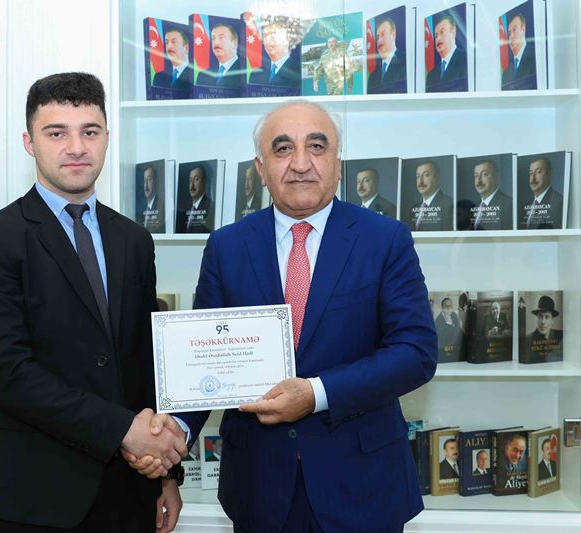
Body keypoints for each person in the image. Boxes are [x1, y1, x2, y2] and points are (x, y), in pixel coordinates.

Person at [129, 101, 437, 532]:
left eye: (316, 146)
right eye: (283, 148)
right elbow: (205, 362)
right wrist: (175, 431)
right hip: (259, 487)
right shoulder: (227, 246)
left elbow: (415, 353)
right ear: (261, 168)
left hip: (363, 486)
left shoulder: (385, 239)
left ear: (338, 162)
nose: (301, 163)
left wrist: (316, 393)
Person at [0, 73, 186, 533]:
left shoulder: (134, 240)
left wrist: (166, 472)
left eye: (90, 131)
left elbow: (144, 361)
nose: (76, 147)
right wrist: (123, 430)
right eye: (56, 133)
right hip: (32, 496)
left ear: (106, 138)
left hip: (130, 488)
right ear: (29, 142)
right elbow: (7, 374)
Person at [406, 160, 453, 231]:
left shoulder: (449, 205)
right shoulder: (413, 209)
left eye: (426, 175)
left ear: (437, 178)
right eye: (418, 176)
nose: (420, 181)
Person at [519, 157, 564, 229]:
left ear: (549, 173)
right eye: (531, 173)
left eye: (538, 172)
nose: (533, 178)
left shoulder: (559, 203)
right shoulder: (525, 207)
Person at [426, 14, 467, 92]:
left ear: (453, 33)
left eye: (442, 32)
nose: (438, 39)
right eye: (436, 36)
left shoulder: (466, 60)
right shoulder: (431, 75)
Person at [467, 159, 512, 231]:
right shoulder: (474, 207)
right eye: (476, 175)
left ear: (496, 177)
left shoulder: (509, 204)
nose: (479, 180)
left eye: (485, 174)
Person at [252, 23, 299, 88]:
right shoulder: (256, 73)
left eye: (273, 36)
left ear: (288, 39)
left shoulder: (299, 71)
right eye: (265, 36)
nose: (268, 42)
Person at [367, 17, 406, 94]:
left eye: (383, 34)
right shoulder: (373, 76)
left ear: (393, 35)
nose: (379, 40)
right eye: (377, 37)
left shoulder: (406, 62)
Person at [175, 165, 214, 233]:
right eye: (190, 180)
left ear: (204, 182)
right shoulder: (183, 208)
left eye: (196, 179)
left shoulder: (211, 207)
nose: (192, 186)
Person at [501, 12, 536, 89]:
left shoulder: (535, 57)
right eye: (509, 33)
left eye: (514, 30)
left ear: (523, 29)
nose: (511, 36)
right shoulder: (506, 73)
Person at [202, 23, 240, 89]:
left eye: (221, 37)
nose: (216, 43)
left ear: (234, 43)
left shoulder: (245, 71)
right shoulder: (204, 75)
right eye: (213, 38)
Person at [154, 28, 192, 94]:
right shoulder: (159, 77)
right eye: (166, 42)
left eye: (174, 42)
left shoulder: (195, 77)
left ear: (186, 48)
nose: (169, 47)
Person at [525, 295, 563, 361]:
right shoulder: (528, 340)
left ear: (552, 320)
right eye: (540, 316)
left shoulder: (560, 336)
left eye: (547, 317)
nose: (543, 322)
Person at [139, 164, 165, 233]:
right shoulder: (142, 210)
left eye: (149, 180)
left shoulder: (161, 206)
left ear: (155, 182)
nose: (146, 186)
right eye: (144, 181)